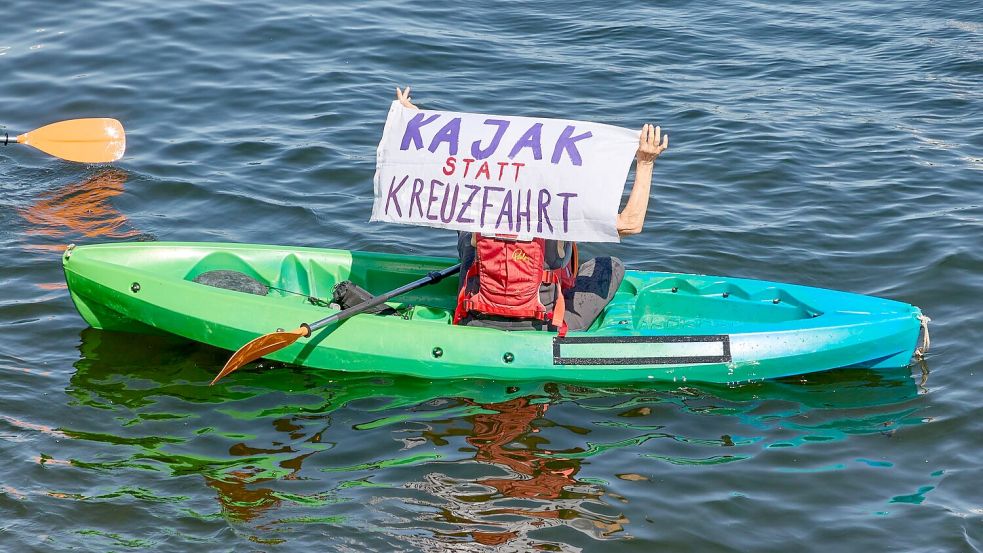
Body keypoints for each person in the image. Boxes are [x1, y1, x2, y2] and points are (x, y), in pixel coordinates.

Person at [395, 87, 668, 332]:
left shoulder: (474, 200)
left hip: (473, 316)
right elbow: (631, 224)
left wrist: (416, 121)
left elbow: (436, 168)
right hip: (542, 324)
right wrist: (645, 162)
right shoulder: (560, 211)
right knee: (610, 264)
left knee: (468, 242)